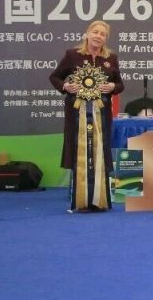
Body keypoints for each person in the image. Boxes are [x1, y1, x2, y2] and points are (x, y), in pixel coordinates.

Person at [49, 20, 124, 212]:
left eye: (103, 34)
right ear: (87, 34)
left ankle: (100, 200)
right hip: (77, 112)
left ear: (106, 39)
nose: (98, 36)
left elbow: (120, 85)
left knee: (99, 151)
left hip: (101, 113)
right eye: (95, 32)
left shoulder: (111, 58)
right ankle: (81, 200)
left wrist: (112, 86)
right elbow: (55, 77)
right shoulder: (72, 55)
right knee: (80, 150)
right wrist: (65, 86)